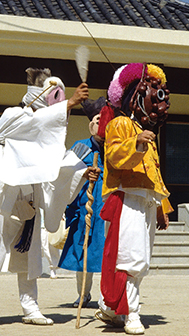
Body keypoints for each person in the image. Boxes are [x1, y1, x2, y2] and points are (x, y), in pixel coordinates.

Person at [0, 67, 97, 330]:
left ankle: (30, 306)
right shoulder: (12, 117)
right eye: (54, 98)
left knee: (29, 255)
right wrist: (67, 105)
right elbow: (34, 125)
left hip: (28, 196)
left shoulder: (44, 134)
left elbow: (54, 164)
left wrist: (80, 171)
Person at [94, 63, 173, 335]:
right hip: (126, 199)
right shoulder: (120, 124)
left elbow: (154, 175)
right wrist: (137, 143)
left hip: (145, 202)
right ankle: (131, 313)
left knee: (140, 258)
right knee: (130, 257)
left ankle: (114, 308)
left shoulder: (144, 130)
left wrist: (163, 207)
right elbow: (114, 156)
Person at [58, 97, 107, 307]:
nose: (99, 123)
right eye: (96, 119)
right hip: (85, 207)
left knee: (107, 252)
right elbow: (63, 173)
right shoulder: (81, 147)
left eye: (103, 119)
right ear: (90, 123)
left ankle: (107, 296)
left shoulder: (115, 149)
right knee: (84, 251)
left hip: (107, 207)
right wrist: (84, 173)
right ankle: (84, 294)